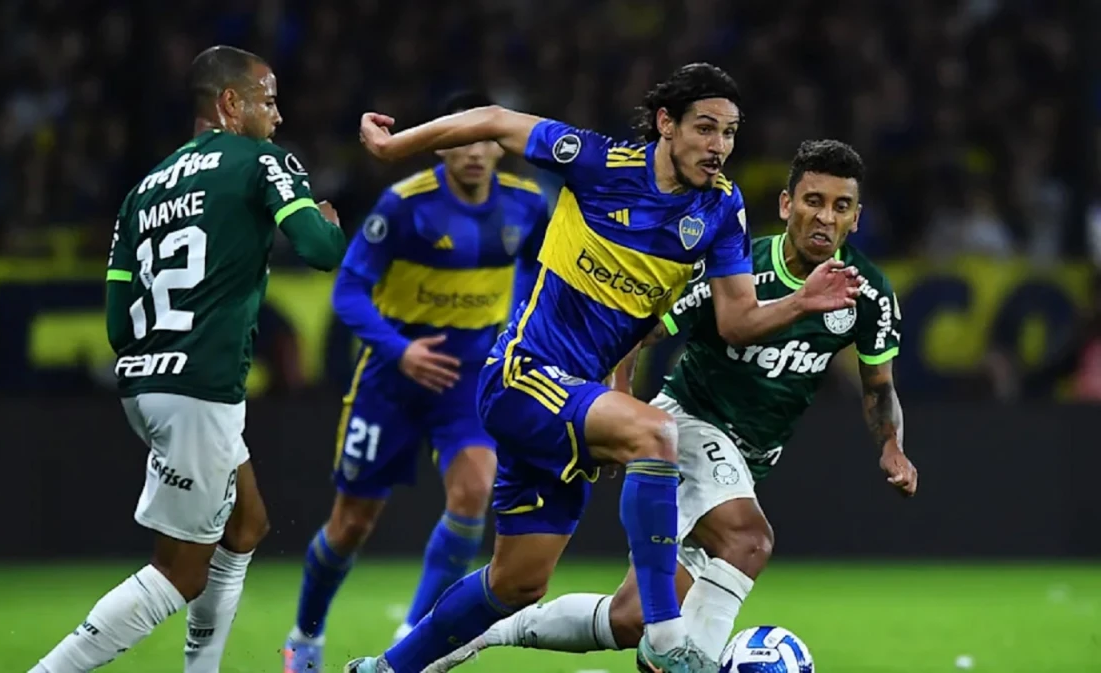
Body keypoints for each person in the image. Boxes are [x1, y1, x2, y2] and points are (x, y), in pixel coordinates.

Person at [347, 64, 864, 673]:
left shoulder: (720, 209)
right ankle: (667, 635)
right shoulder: (597, 162)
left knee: (516, 584)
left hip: (574, 401)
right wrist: (392, 145)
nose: (719, 147)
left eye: (729, 133)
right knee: (655, 433)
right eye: (705, 129)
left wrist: (800, 302)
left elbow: (736, 320)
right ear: (666, 124)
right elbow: (492, 121)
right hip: (522, 373)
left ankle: (384, 669)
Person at [424, 139, 919, 672]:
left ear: (856, 218)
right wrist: (621, 410)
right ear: (785, 205)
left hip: (748, 463)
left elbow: (878, 387)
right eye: (813, 201)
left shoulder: (865, 292)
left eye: (840, 207)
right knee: (748, 539)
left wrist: (891, 445)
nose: (825, 217)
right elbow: (642, 331)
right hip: (690, 422)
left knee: (632, 618)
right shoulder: (738, 270)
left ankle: (487, 632)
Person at [28, 45, 346, 673]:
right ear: (231, 103)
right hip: (201, 389)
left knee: (247, 524)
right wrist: (328, 221)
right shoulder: (260, 160)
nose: (276, 117)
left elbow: (119, 324)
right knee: (178, 574)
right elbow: (318, 248)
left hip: (144, 386)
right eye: (269, 101)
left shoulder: (142, 191)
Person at [282, 90, 549, 673]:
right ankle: (304, 637)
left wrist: (520, 321)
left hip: (468, 380)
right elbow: (349, 291)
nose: (475, 152)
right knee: (350, 524)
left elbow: (547, 271)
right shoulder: (405, 205)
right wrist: (400, 351)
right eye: (461, 139)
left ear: (500, 146)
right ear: (443, 144)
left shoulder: (527, 206)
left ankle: (409, 644)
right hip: (392, 379)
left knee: (476, 492)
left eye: (485, 139)